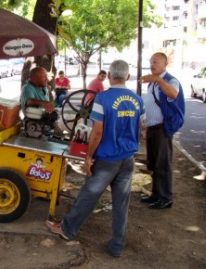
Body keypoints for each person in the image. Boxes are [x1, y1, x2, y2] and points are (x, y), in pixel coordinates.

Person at [46, 60, 145, 257]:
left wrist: (88, 157)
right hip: (127, 158)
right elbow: (141, 129)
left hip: (107, 159)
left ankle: (67, 230)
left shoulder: (103, 98)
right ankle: (117, 245)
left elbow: (97, 132)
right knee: (121, 203)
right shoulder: (137, 99)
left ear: (109, 76)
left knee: (88, 195)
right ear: (126, 76)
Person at [140, 52, 185, 209]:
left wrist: (158, 79)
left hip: (163, 128)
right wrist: (145, 124)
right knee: (153, 164)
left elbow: (173, 93)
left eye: (156, 62)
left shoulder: (170, 80)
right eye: (151, 62)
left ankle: (165, 198)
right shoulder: (153, 83)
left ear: (165, 65)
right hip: (152, 128)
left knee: (163, 164)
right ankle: (156, 195)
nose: (152, 65)